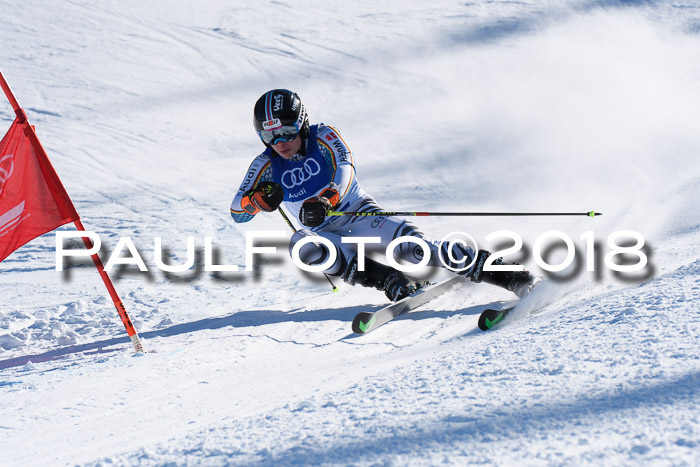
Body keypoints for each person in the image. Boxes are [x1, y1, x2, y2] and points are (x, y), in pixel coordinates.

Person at [231, 89, 535, 301]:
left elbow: (345, 167)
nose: (279, 142)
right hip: (324, 230)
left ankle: (509, 276)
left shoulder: (323, 136)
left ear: (301, 123)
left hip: (358, 213)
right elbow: (237, 212)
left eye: (285, 131)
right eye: (269, 136)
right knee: (302, 245)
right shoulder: (266, 164)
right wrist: (255, 200)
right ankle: (391, 280)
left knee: (415, 251)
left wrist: (329, 198)